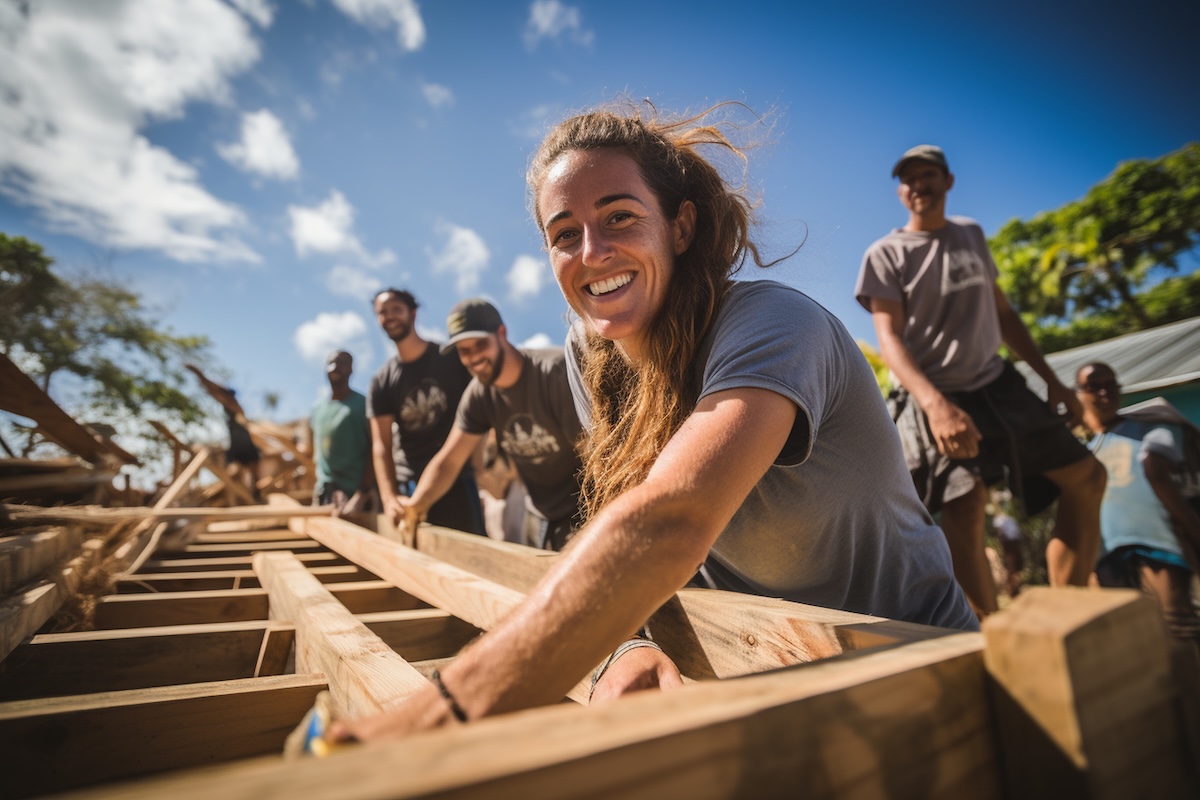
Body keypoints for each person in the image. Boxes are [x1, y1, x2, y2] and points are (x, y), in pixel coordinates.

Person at [332, 104, 974, 742]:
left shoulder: (773, 326)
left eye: (619, 216)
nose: (593, 251)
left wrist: (431, 718)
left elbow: (671, 517)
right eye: (563, 234)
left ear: (682, 224)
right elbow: (621, 512)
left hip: (924, 671)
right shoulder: (596, 362)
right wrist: (624, 642)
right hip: (767, 684)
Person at [855, 144, 1106, 618]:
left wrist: (1051, 380)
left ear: (948, 182)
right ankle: (990, 639)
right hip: (934, 392)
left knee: (1089, 477)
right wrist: (934, 405)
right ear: (900, 191)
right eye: (909, 179)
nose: (918, 185)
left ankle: (1068, 613)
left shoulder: (969, 234)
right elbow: (888, 340)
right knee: (966, 509)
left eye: (928, 175)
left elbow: (1003, 315)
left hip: (997, 384)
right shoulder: (885, 254)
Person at [394, 298, 583, 551]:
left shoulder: (553, 373)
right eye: (464, 350)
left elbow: (596, 455)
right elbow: (449, 461)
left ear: (502, 334)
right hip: (538, 511)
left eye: (480, 344)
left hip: (586, 508)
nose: (474, 358)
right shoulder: (479, 395)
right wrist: (415, 506)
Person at [1076, 362, 1200, 643]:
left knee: (1178, 632)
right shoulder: (1086, 450)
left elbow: (1157, 472)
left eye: (1111, 384)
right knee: (1135, 641)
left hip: (1161, 547)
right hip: (1108, 556)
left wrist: (1194, 531)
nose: (1105, 392)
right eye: (1094, 386)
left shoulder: (1154, 424)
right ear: (1079, 394)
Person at [368, 288, 485, 535]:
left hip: (457, 480)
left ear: (413, 313)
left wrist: (483, 470)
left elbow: (483, 410)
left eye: (396, 309)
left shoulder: (451, 358)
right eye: (382, 312)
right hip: (410, 484)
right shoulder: (381, 381)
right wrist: (389, 498)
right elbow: (381, 445)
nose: (389, 316)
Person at [308, 350, 375, 516]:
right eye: (331, 363)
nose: (335, 367)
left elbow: (375, 450)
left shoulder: (363, 405)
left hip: (354, 494)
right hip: (325, 492)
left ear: (351, 370)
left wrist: (362, 493)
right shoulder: (317, 409)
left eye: (342, 363)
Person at [184, 362, 260, 492]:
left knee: (244, 466)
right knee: (240, 467)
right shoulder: (234, 407)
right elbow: (214, 389)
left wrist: (199, 374)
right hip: (237, 437)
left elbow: (215, 389)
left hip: (240, 438)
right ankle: (245, 490)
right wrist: (200, 375)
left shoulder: (233, 404)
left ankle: (252, 491)